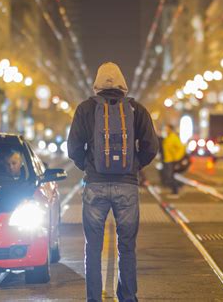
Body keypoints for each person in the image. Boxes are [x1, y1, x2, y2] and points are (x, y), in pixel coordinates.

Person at [68, 62, 158, 302]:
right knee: (127, 246)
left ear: (97, 84)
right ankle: (128, 297)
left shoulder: (85, 109)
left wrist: (88, 166)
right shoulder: (136, 109)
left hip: (95, 186)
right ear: (123, 83)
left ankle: (94, 299)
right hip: (127, 186)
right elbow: (151, 146)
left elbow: (73, 148)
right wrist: (134, 166)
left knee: (93, 249)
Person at [161, 125, 185, 196]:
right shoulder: (167, 137)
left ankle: (176, 189)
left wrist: (176, 158)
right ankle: (178, 187)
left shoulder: (173, 137)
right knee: (168, 176)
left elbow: (181, 148)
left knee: (169, 176)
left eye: (167, 129)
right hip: (166, 159)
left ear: (171, 129)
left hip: (171, 160)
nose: (165, 130)